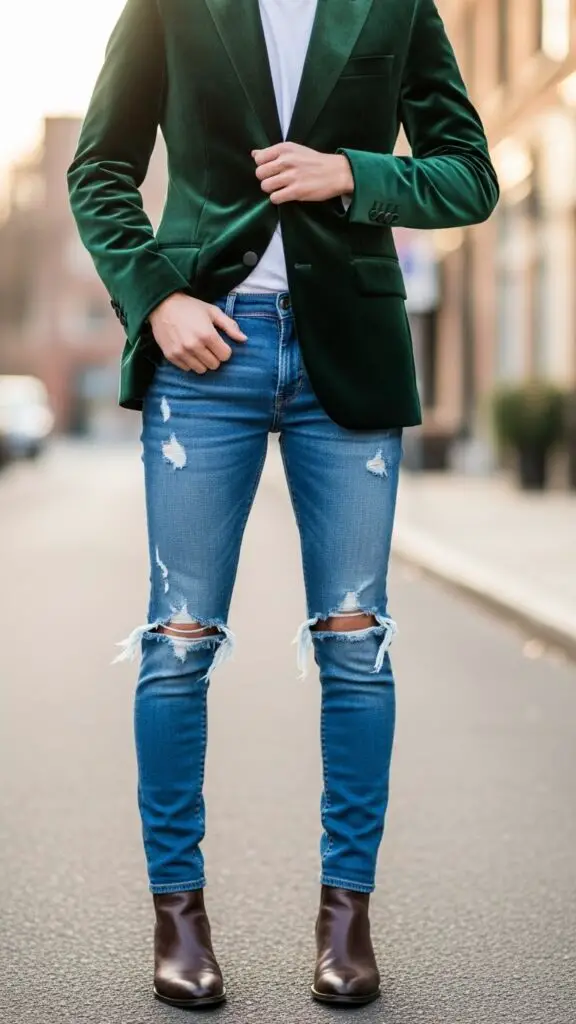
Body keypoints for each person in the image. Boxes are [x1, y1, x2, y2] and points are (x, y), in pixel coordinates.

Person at [68, 0, 498, 1008]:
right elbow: (100, 169)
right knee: (178, 640)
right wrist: (156, 298)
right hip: (204, 350)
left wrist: (356, 172)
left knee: (355, 638)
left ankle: (345, 920)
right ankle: (179, 918)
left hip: (343, 349)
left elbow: (469, 171)